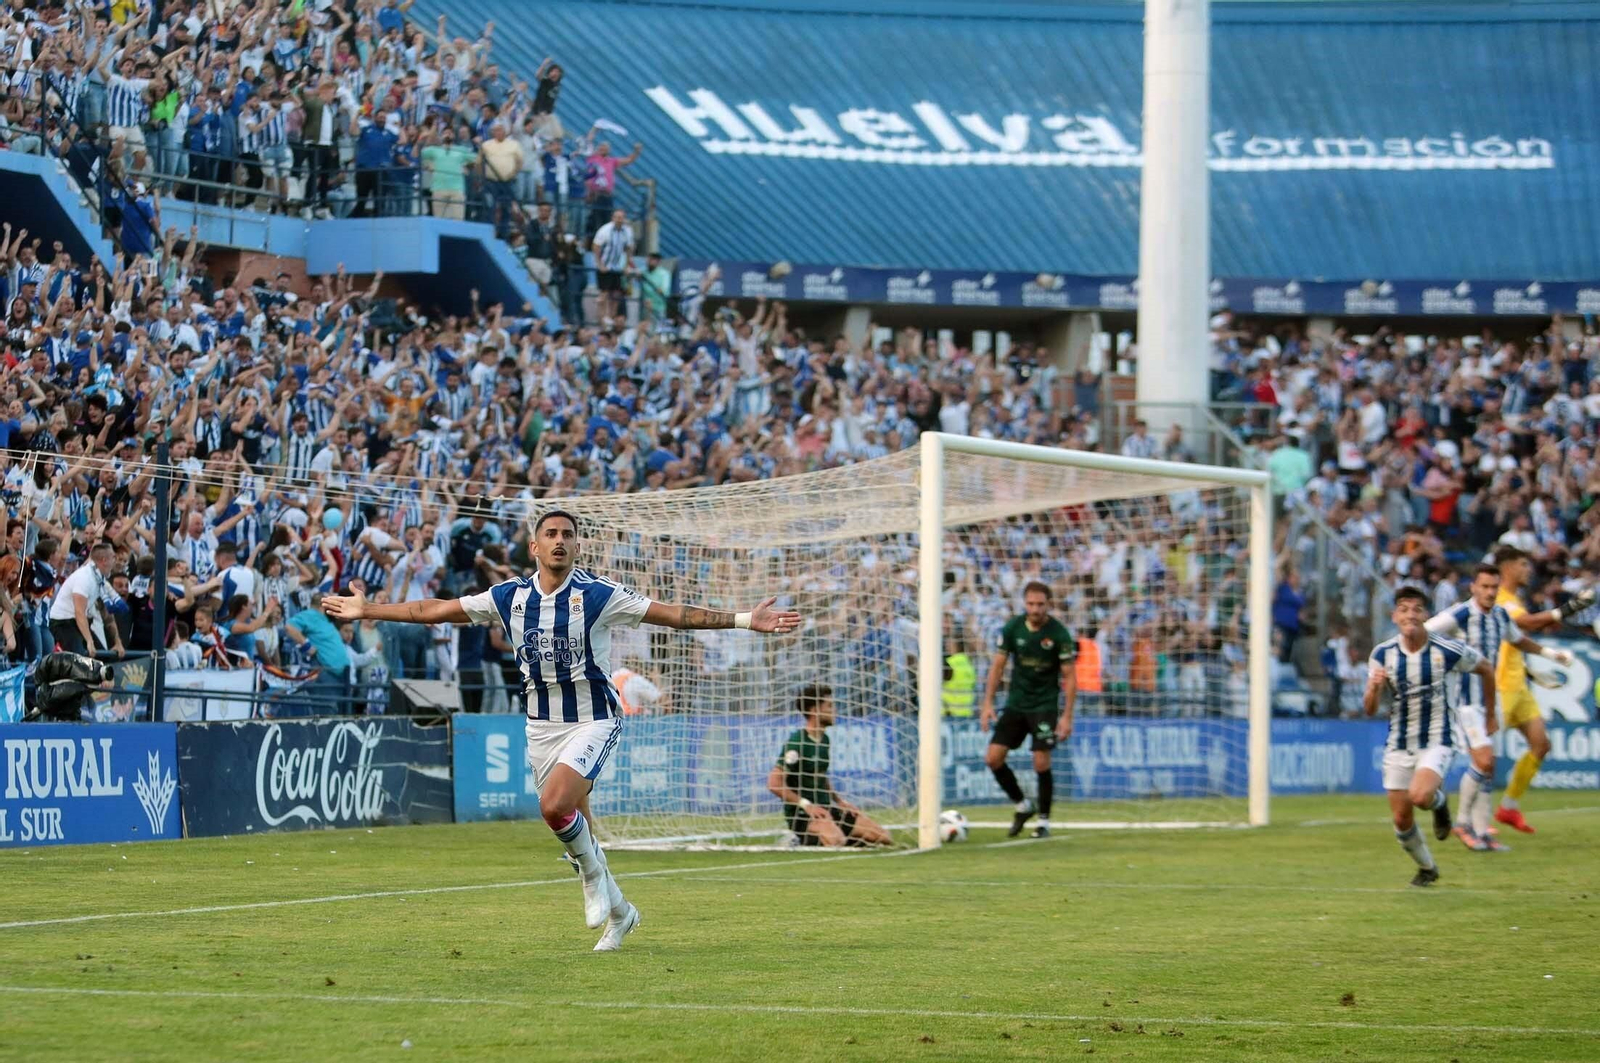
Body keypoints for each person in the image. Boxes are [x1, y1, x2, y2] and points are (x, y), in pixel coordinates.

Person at [322, 508, 802, 951]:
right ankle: (622, 914)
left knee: (554, 806)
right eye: (549, 534)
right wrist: (368, 611)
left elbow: (673, 616)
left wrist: (744, 620)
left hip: (594, 718)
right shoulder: (507, 596)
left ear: (577, 548)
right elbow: (434, 610)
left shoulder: (599, 595)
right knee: (579, 830)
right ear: (534, 547)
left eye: (567, 535)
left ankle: (592, 884)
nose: (558, 541)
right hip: (541, 728)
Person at [1426, 563, 1573, 850]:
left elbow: (1520, 641)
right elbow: (1424, 631)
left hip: (1487, 701)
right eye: (1485, 586)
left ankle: (1482, 833)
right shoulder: (1460, 613)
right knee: (1483, 761)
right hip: (1463, 702)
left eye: (1494, 587)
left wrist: (1551, 654)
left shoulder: (1499, 617)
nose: (1490, 592)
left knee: (1487, 766)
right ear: (1473, 587)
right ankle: (1463, 823)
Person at [1364, 586, 1493, 887]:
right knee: (1401, 820)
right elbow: (1369, 709)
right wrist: (1372, 688)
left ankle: (1438, 803)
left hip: (1438, 738)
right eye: (1404, 609)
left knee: (1420, 795)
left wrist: (1490, 714)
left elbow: (1486, 668)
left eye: (1417, 609)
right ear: (1395, 616)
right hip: (1398, 743)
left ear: (1426, 615)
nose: (1410, 614)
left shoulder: (1446, 650)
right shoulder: (1382, 654)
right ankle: (1427, 868)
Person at [1489, 545, 1594, 833]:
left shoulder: (1514, 599)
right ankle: (1472, 820)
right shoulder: (1499, 599)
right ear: (1508, 567)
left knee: (1541, 744)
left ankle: (1508, 808)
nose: (1528, 570)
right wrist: (1568, 609)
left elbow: (1513, 641)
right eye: (1523, 564)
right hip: (1499, 687)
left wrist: (1530, 669)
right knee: (1483, 755)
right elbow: (1529, 623)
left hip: (1518, 684)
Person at [979, 581, 1076, 838]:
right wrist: (987, 703)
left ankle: (1043, 821)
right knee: (993, 758)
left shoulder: (1058, 634)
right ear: (1025, 603)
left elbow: (1070, 677)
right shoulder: (1012, 628)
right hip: (1016, 703)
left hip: (1044, 705)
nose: (1035, 609)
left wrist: (1066, 716)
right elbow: (998, 667)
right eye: (1031, 604)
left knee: (1041, 760)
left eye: (1040, 604)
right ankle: (1023, 805)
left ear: (1048, 604)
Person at [767, 683, 892, 848]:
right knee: (835, 840)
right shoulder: (797, 743)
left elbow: (820, 775)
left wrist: (839, 801)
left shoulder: (824, 740)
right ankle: (797, 839)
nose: (834, 711)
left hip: (826, 810)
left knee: (882, 836)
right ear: (814, 710)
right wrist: (807, 805)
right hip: (804, 815)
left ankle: (835, 833)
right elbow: (774, 784)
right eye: (829, 706)